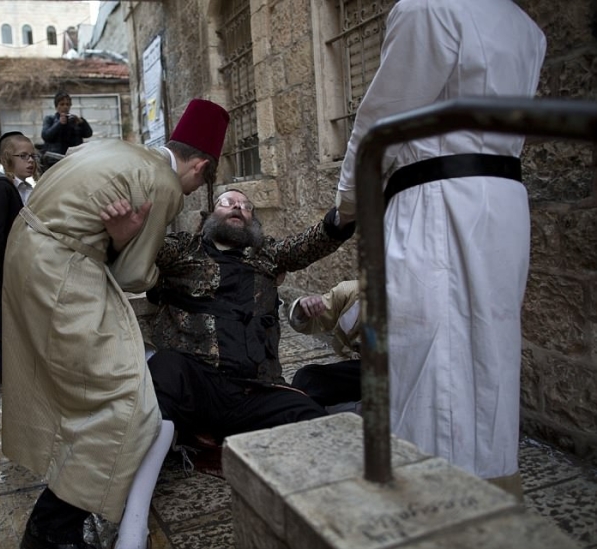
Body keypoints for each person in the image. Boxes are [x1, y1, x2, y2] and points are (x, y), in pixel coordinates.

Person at [334, 0, 546, 497]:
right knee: (487, 356)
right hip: (502, 204)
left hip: (438, 200)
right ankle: (494, 484)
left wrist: (347, 203)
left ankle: (434, 498)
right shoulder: (526, 27)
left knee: (430, 356)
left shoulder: (428, 8)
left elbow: (382, 121)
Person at [2, 99, 229, 549]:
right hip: (61, 271)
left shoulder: (121, 149)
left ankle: (64, 517)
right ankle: (51, 530)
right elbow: (133, 277)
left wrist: (118, 239)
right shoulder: (163, 183)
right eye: (201, 183)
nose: (190, 193)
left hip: (29, 253)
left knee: (85, 391)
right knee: (125, 401)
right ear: (200, 166)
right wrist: (129, 242)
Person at [103, 189, 356, 451]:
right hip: (197, 384)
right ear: (211, 214)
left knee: (312, 418)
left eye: (246, 206)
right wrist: (124, 237)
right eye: (228, 202)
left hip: (255, 390)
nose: (238, 207)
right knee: (164, 369)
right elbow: (146, 252)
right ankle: (155, 454)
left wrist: (342, 217)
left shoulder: (267, 254)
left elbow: (308, 245)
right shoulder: (184, 248)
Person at [0, 131, 38, 378]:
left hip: (22, 282)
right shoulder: (1, 189)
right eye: (23, 156)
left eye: (32, 155)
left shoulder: (27, 190)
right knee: (9, 345)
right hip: (4, 285)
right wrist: (8, 272)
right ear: (6, 159)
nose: (30, 161)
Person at [288, 280, 363, 413]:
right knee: (307, 378)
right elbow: (317, 317)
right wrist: (305, 308)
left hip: (398, 374)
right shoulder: (351, 292)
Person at [39, 90, 93, 170]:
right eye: (62, 104)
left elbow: (88, 134)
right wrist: (59, 123)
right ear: (56, 106)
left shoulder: (74, 120)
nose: (65, 107)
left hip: (73, 161)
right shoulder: (50, 119)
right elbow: (46, 135)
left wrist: (82, 123)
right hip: (55, 161)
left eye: (67, 104)